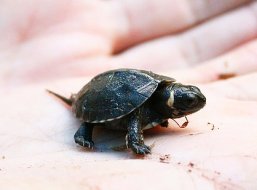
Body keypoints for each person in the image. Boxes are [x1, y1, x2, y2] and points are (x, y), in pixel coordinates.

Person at [1, 0, 257, 189]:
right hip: (94, 96)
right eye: (188, 102)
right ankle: (84, 131)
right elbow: (136, 116)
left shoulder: (159, 91)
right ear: (170, 100)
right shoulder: (147, 104)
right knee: (124, 113)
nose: (194, 104)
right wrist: (135, 141)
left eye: (191, 99)